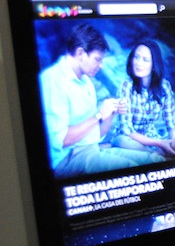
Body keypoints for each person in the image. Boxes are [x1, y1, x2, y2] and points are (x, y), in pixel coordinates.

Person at [40, 23, 163, 178]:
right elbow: (61, 141)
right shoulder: (52, 80)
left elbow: (96, 136)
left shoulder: (86, 81)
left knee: (151, 160)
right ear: (80, 53)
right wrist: (98, 115)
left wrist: (111, 113)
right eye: (97, 59)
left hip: (90, 150)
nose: (101, 65)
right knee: (132, 169)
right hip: (66, 161)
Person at [112, 39, 175, 157]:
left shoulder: (164, 86)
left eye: (145, 60)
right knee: (122, 141)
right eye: (136, 57)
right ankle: (156, 154)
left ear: (154, 65)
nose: (138, 63)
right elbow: (127, 130)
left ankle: (159, 153)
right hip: (131, 140)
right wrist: (160, 143)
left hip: (153, 138)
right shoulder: (126, 85)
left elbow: (171, 123)